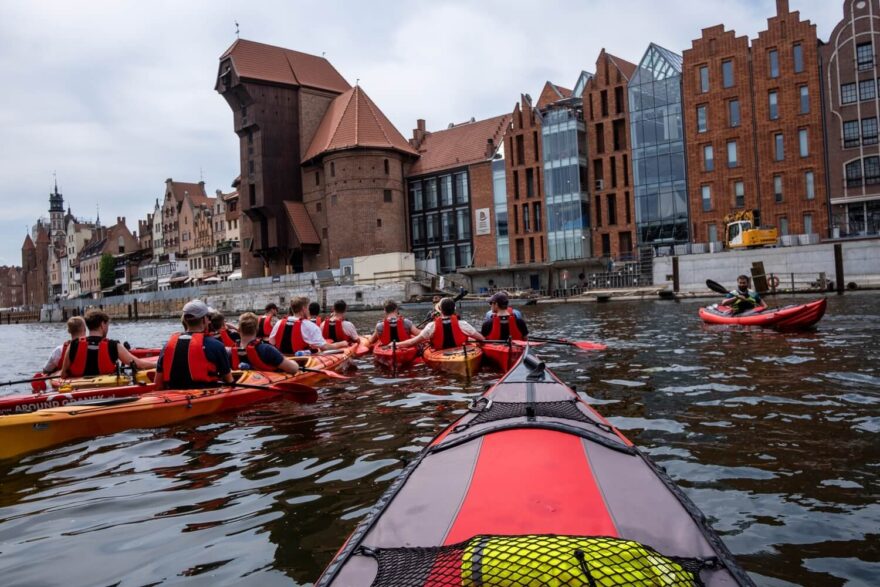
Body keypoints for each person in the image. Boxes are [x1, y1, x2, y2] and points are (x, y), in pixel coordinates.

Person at [155, 300, 234, 390]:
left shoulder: (167, 345)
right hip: (204, 396)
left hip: (173, 396)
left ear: (184, 320)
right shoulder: (217, 345)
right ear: (205, 319)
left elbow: (158, 384)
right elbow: (229, 381)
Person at [60, 309, 154, 378]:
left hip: (80, 391)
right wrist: (156, 365)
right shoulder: (114, 346)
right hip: (108, 391)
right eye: (107, 325)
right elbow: (138, 364)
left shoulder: (73, 345)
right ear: (102, 325)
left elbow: (63, 374)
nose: (108, 328)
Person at [397, 297, 484, 350]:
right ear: (454, 310)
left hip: (440, 353)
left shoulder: (431, 326)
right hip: (462, 352)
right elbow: (481, 338)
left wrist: (395, 344)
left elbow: (412, 342)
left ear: (440, 310)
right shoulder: (463, 324)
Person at [269, 297, 349, 354]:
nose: (308, 311)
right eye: (307, 308)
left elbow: (272, 342)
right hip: (302, 360)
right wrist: (342, 344)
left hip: (283, 358)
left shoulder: (279, 322)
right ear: (304, 309)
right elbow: (325, 347)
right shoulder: (309, 326)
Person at [231, 312, 300, 374]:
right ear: (257, 329)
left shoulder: (230, 352)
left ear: (239, 329)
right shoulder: (267, 350)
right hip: (265, 384)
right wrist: (294, 363)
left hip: (241, 384)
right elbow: (293, 369)